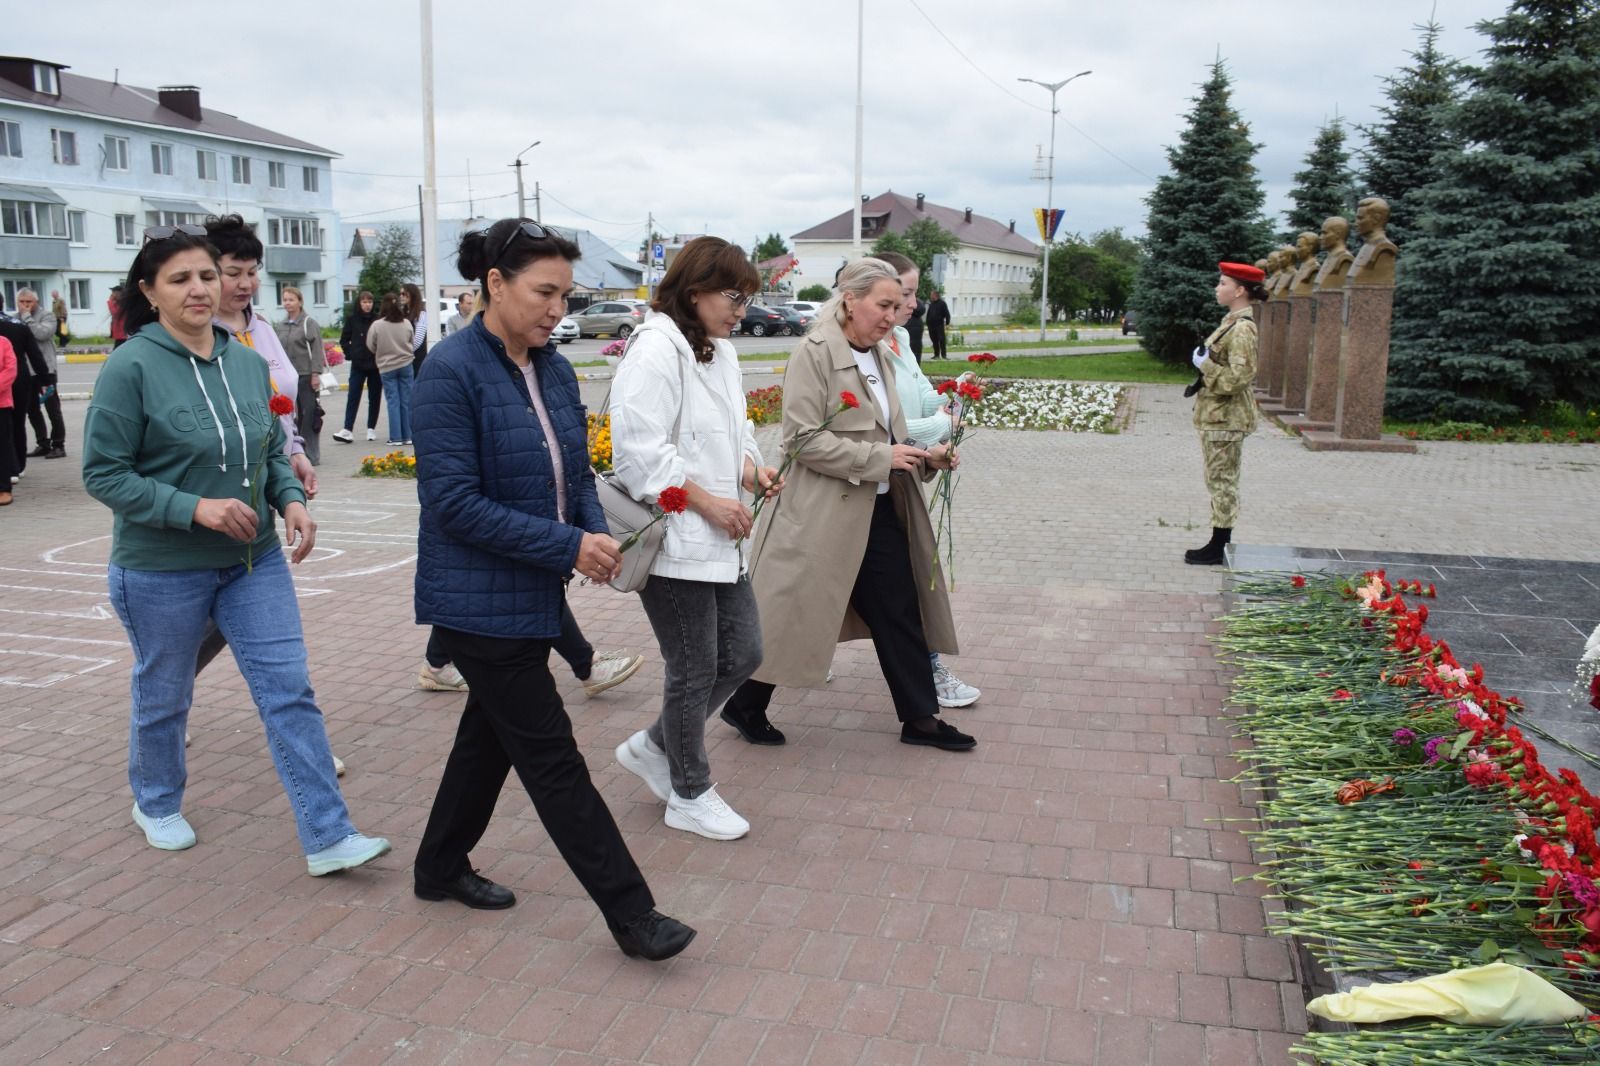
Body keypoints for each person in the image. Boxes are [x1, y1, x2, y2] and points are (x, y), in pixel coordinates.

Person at [409, 217, 694, 961]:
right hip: (474, 599)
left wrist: (595, 535)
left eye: (566, 296)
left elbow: (578, 472)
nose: (556, 310)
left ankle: (438, 866)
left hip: (531, 590)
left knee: (488, 741)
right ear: (494, 284)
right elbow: (452, 503)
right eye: (544, 292)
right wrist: (568, 544)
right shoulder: (449, 372)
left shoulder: (555, 369)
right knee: (552, 758)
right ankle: (633, 916)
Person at [80, 223, 388, 873]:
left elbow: (270, 450)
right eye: (180, 279)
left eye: (206, 275)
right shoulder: (130, 367)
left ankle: (329, 834)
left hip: (253, 561)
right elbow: (104, 475)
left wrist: (291, 499)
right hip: (162, 570)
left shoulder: (246, 362)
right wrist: (197, 508)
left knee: (288, 690)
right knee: (166, 694)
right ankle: (156, 802)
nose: (200, 289)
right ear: (150, 292)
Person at [720, 257, 976, 752]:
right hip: (823, 515)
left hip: (878, 509)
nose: (893, 315)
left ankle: (920, 719)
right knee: (795, 614)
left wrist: (927, 457)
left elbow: (891, 435)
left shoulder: (880, 354)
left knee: (899, 609)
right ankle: (745, 703)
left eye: (898, 306)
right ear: (850, 300)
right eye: (884, 305)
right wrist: (882, 458)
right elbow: (800, 440)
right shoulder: (814, 353)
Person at [609, 236, 780, 842]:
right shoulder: (655, 350)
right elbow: (638, 454)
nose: (742, 310)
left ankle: (656, 747)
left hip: (718, 537)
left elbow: (735, 429)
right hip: (673, 539)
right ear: (695, 290)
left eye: (748, 298)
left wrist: (752, 470)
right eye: (734, 297)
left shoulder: (719, 351)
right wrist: (706, 502)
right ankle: (689, 792)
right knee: (694, 666)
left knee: (744, 653)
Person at [875, 252, 982, 710]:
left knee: (898, 584)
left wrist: (954, 394)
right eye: (905, 293)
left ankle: (761, 682)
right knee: (903, 583)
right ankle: (760, 679)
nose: (913, 303)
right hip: (860, 487)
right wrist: (941, 426)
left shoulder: (899, 338)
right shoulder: (867, 346)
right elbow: (885, 425)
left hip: (894, 482)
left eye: (914, 293)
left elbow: (919, 401)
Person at [1186, 261, 1265, 566]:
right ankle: (1218, 542)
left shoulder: (1242, 328)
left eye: (1223, 283)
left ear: (1240, 290)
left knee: (1223, 482)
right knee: (1218, 479)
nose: (1217, 288)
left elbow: (1238, 378)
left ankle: (1219, 546)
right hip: (1219, 416)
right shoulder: (1231, 322)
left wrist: (1205, 364)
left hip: (1227, 418)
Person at [274, 286, 325, 466]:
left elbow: (317, 350)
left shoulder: (308, 323)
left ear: (300, 302)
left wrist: (316, 374)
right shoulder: (281, 325)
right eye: (285, 300)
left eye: (291, 300)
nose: (287, 303)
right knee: (291, 417)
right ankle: (293, 453)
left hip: (305, 375)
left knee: (308, 415)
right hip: (288, 377)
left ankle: (311, 455)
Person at [16, 290, 66, 458]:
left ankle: (58, 445)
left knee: (53, 409)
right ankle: (43, 443)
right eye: (21, 301)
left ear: (36, 301)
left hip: (46, 371)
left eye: (28, 301)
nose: (25, 305)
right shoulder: (15, 318)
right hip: (27, 371)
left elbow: (42, 334)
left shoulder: (47, 316)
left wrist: (27, 317)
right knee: (32, 409)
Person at [0, 306, 45, 486]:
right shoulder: (18, 325)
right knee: (17, 423)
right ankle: (18, 466)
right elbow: (34, 353)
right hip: (19, 379)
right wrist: (45, 378)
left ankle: (8, 469)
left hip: (10, 381)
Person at [333, 292, 382, 443]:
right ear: (359, 303)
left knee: (374, 397)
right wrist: (351, 354)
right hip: (358, 364)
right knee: (353, 396)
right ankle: (347, 429)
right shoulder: (352, 319)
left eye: (370, 302)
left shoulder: (378, 320)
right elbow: (344, 340)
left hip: (375, 365)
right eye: (364, 302)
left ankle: (371, 428)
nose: (367, 305)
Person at [367, 294, 415, 446]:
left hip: (387, 366)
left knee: (393, 401)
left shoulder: (377, 325)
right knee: (406, 401)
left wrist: (381, 352)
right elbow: (412, 341)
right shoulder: (406, 323)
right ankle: (408, 436)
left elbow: (370, 345)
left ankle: (396, 437)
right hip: (406, 364)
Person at [0, 332, 15, 505]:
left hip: (1, 404)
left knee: (2, 447)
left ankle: (4, 488)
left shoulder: (3, 342)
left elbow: (10, 370)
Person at [401, 282, 428, 372]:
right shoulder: (403, 313)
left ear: (412, 294)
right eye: (400, 294)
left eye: (404, 294)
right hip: (405, 357)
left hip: (416, 357)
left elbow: (418, 340)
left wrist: (404, 352)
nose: (401, 296)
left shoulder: (421, 313)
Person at [925, 289, 951, 360]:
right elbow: (928, 314)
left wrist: (947, 323)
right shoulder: (931, 304)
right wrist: (927, 323)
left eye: (931, 295)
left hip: (939, 325)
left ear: (935, 295)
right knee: (934, 340)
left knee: (941, 340)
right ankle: (936, 355)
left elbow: (947, 314)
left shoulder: (942, 303)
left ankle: (944, 355)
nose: (930, 296)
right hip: (931, 326)